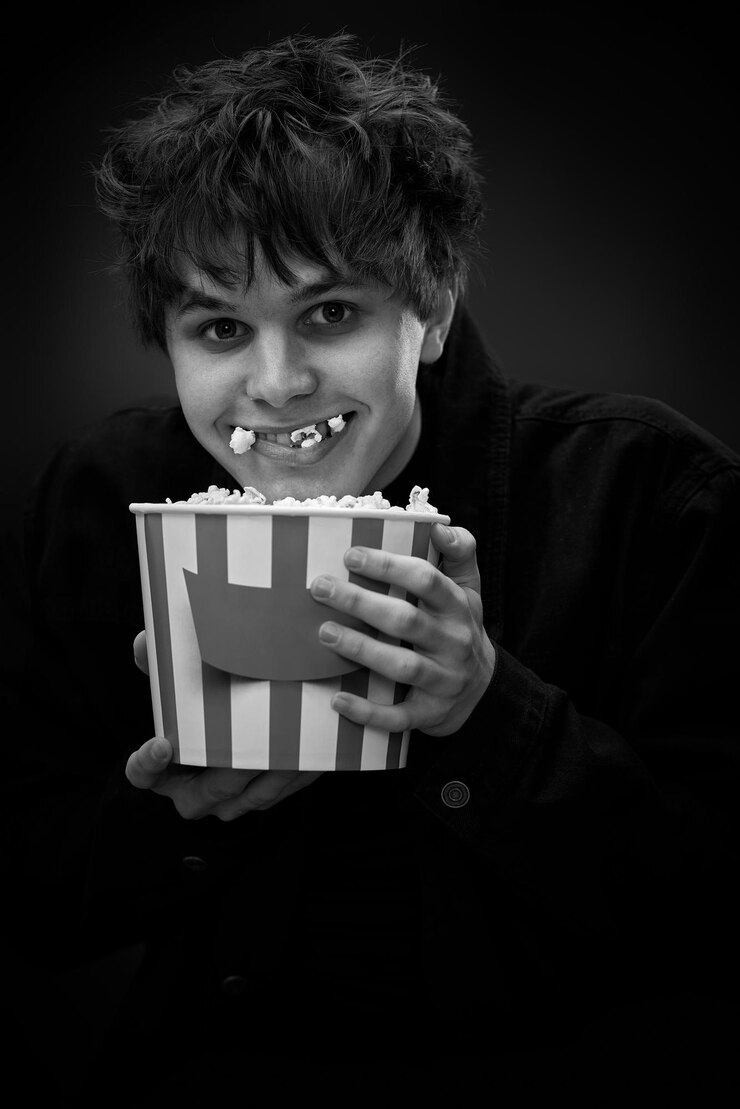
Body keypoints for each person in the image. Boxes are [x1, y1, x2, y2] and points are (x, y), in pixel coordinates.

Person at [2, 30, 738, 1096]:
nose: (278, 380)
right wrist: (174, 814)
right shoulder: (94, 501)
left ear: (429, 310)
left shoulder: (651, 494)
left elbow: (715, 912)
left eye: (331, 312)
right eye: (217, 327)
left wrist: (488, 716)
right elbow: (28, 902)